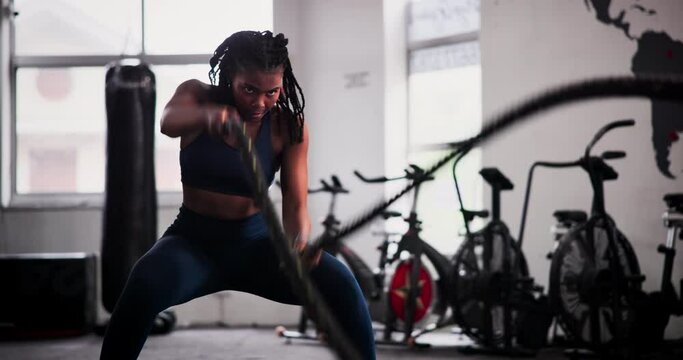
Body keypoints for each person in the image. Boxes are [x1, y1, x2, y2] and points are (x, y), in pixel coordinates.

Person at [100, 30, 376, 360]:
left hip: (259, 248)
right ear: (230, 76)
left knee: (342, 285)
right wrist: (206, 117)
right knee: (142, 286)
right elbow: (168, 122)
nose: (260, 102)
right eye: (249, 90)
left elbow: (296, 201)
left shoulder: (289, 127)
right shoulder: (197, 96)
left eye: (271, 92)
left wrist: (299, 243)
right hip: (192, 244)